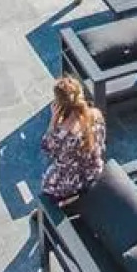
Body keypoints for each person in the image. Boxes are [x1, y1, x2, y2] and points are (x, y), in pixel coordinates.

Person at [38, 77, 106, 206]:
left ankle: (60, 205)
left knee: (49, 178)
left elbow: (46, 149)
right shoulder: (96, 115)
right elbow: (101, 141)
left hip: (68, 184)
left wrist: (53, 121)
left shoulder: (61, 132)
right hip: (93, 172)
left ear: (58, 104)